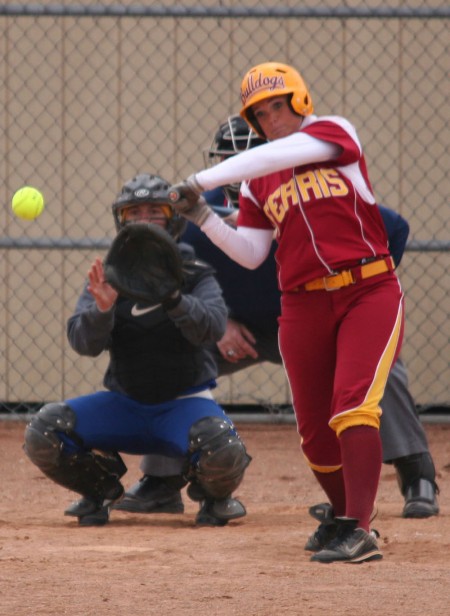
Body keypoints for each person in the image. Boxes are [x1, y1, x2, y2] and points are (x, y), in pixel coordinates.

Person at [117, 116, 439, 524]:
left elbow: (395, 229)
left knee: (381, 371)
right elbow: (190, 283)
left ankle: (416, 475)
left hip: (325, 319)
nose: (241, 166)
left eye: (251, 156)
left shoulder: (315, 198)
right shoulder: (201, 222)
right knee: (174, 357)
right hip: (247, 332)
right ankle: (161, 481)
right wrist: (221, 322)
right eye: (230, 158)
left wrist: (356, 298)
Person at [167, 61, 407, 564]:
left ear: (299, 102)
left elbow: (291, 151)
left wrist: (199, 178)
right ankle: (345, 517)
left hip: (367, 289)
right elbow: (252, 252)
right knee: (314, 431)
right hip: (302, 303)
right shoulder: (259, 181)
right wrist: (203, 214)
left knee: (353, 406)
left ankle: (361, 530)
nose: (271, 118)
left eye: (278, 105)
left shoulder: (334, 134)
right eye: (260, 112)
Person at [23, 173, 251, 528]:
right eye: (134, 212)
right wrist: (103, 310)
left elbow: (213, 327)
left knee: (221, 447)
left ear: (173, 218)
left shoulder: (193, 273)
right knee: (45, 431)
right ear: (121, 219)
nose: (144, 220)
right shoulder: (109, 275)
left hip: (184, 402)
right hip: (125, 403)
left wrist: (173, 297)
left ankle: (213, 498)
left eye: (155, 211)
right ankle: (101, 489)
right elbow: (83, 343)